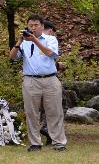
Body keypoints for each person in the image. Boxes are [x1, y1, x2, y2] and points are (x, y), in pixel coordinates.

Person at [8, 14, 66, 151]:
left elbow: (51, 53)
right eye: (30, 26)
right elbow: (12, 57)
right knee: (31, 113)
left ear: (42, 26)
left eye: (36, 25)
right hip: (31, 80)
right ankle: (35, 143)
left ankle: (58, 143)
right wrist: (19, 42)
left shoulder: (50, 39)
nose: (33, 28)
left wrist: (35, 40)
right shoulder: (24, 42)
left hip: (50, 79)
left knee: (55, 112)